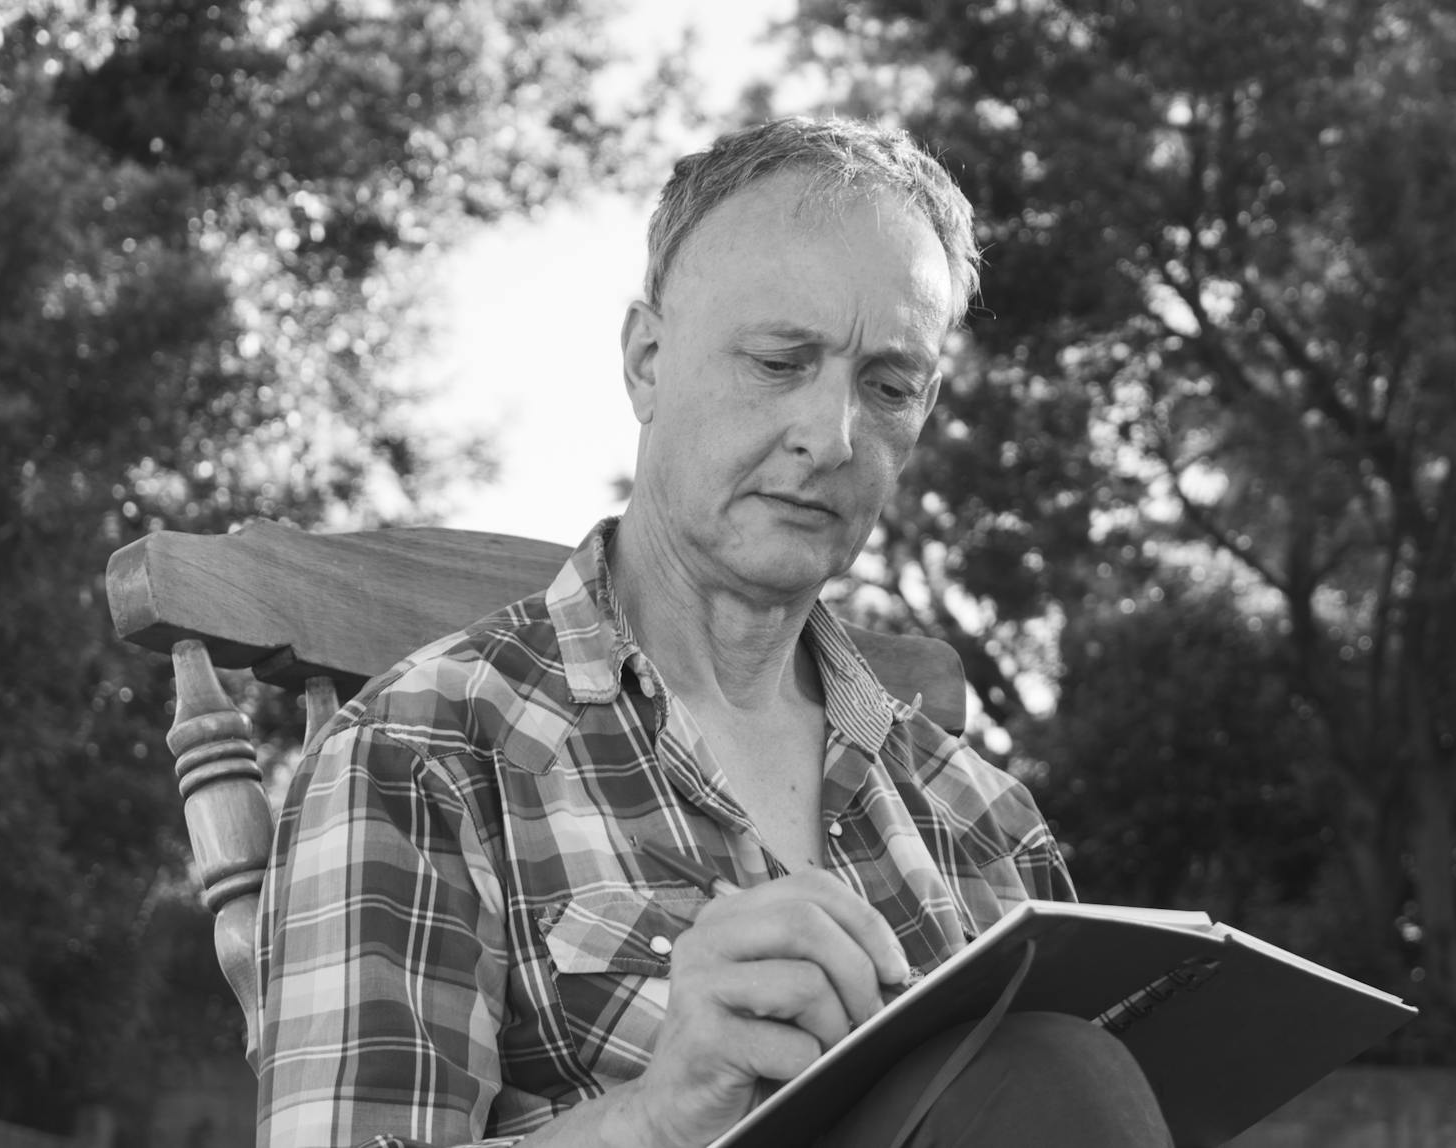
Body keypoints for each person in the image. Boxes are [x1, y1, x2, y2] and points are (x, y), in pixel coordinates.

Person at [255, 116, 1174, 1148]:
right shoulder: (426, 754)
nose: (831, 438)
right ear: (647, 360)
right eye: (782, 361)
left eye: (888, 387)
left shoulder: (983, 819)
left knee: (1064, 1066)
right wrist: (653, 1117)